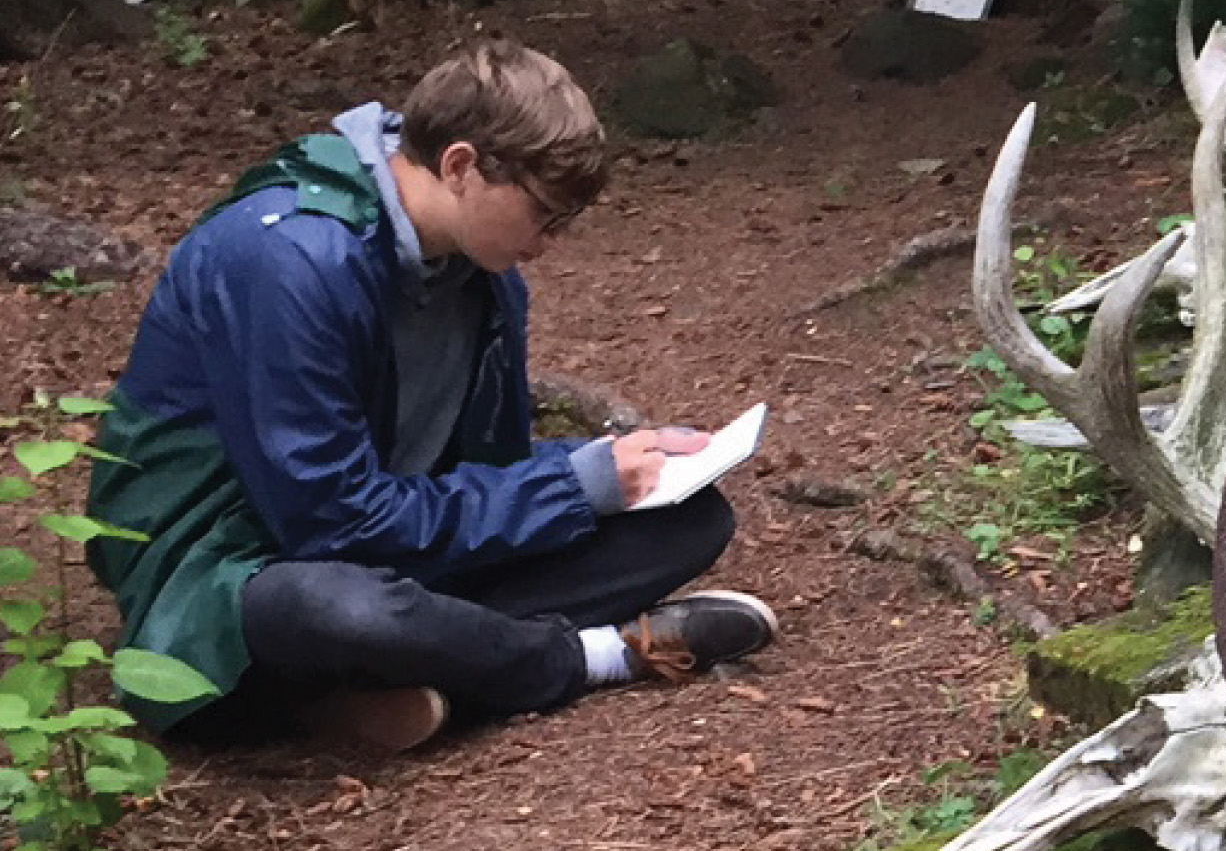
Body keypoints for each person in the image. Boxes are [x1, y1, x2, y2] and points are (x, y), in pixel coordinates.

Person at [88, 38, 775, 756]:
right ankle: (595, 657)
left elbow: (484, 469)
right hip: (231, 565)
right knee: (335, 608)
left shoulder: (487, 279)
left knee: (690, 520)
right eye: (544, 214)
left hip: (383, 541)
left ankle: (370, 691)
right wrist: (574, 487)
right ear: (461, 166)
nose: (553, 242)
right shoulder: (288, 260)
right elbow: (328, 522)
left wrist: (614, 466)